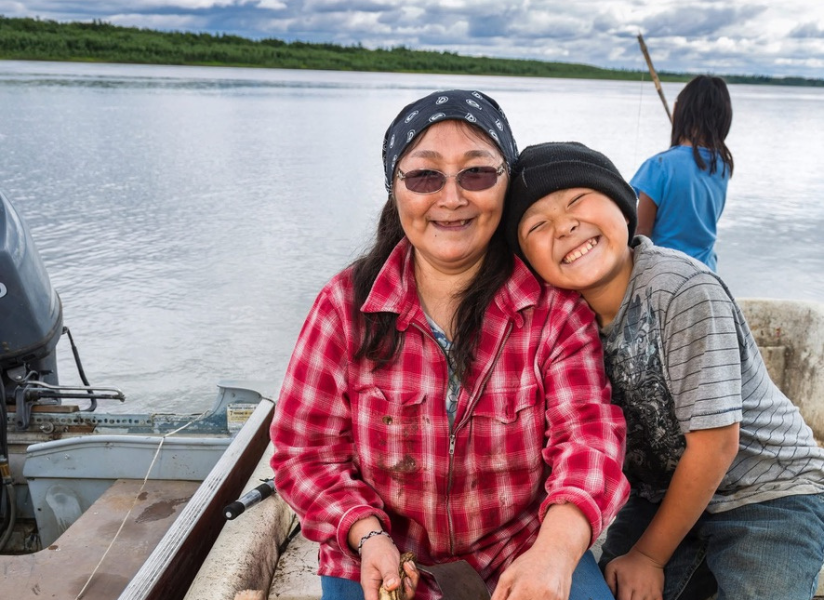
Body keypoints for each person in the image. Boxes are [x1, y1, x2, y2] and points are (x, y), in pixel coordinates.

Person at [270, 91, 630, 600]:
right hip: (380, 555)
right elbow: (304, 452)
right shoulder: (343, 306)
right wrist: (367, 536)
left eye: (477, 174)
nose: (452, 197)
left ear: (506, 184)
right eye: (424, 176)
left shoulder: (554, 312)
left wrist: (553, 552)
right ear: (395, 189)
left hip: (519, 549)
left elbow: (589, 441)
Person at [504, 140, 824, 600]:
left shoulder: (680, 289)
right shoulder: (557, 319)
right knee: (615, 586)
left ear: (623, 203)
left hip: (768, 491)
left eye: (577, 201)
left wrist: (651, 556)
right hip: (659, 493)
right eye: (538, 225)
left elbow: (717, 445)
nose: (566, 225)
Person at [631, 75, 734, 271]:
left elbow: (641, 234)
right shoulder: (721, 164)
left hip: (667, 275)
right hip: (706, 272)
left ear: (680, 112)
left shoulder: (659, 166)